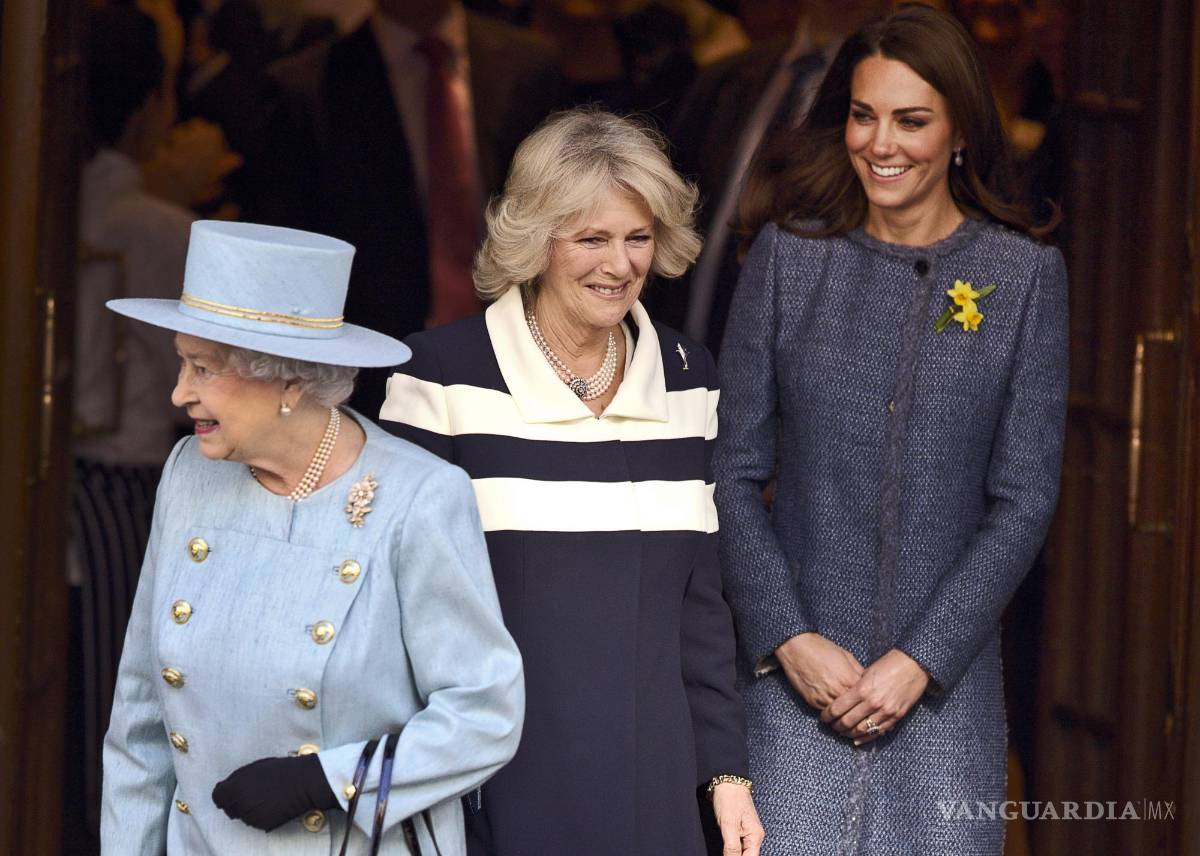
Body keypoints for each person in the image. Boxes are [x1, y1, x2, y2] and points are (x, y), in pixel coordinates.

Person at [714, 5, 1067, 854]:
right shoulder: (789, 259)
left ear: (959, 132)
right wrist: (787, 638)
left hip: (943, 708)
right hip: (795, 696)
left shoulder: (1023, 278)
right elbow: (730, 473)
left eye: (911, 121)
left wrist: (922, 659)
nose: (881, 144)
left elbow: (1023, 500)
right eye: (862, 115)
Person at [380, 108, 764, 856]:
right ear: (536, 240)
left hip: (655, 788)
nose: (619, 265)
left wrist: (726, 776)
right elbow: (398, 611)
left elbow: (701, 605)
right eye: (591, 239)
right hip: (501, 784)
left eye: (638, 237)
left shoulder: (688, 378)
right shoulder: (440, 377)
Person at [101, 220, 524, 854]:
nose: (179, 392)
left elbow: (485, 713)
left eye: (203, 368)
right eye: (183, 363)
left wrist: (327, 781)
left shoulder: (418, 498)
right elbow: (140, 719)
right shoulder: (190, 472)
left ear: (290, 381)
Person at [257, 0, 564, 419]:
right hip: (376, 376)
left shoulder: (527, 64)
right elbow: (295, 266)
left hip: (521, 359)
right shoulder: (308, 88)